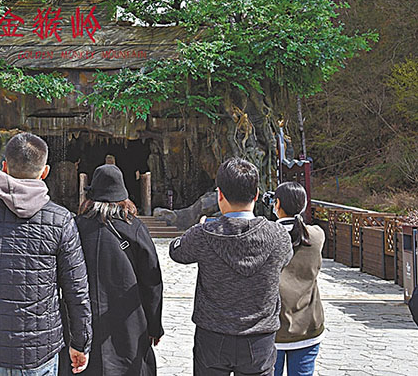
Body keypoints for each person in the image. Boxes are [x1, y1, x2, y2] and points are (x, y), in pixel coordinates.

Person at [0, 132, 93, 376]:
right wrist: (80, 342)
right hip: (38, 353)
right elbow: (76, 291)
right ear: (45, 172)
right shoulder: (61, 220)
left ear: (4, 166)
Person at [169, 158, 292, 376]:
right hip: (259, 338)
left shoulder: (204, 234)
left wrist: (199, 228)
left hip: (212, 336)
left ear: (220, 195)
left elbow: (176, 251)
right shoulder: (279, 236)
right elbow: (286, 258)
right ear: (256, 195)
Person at [65, 164, 163, 376]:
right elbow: (152, 282)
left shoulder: (75, 227)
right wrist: (154, 327)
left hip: (82, 324)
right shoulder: (135, 227)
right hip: (129, 325)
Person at [272, 182, 325, 376]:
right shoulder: (317, 236)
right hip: (308, 325)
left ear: (277, 204)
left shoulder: (267, 237)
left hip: (273, 328)